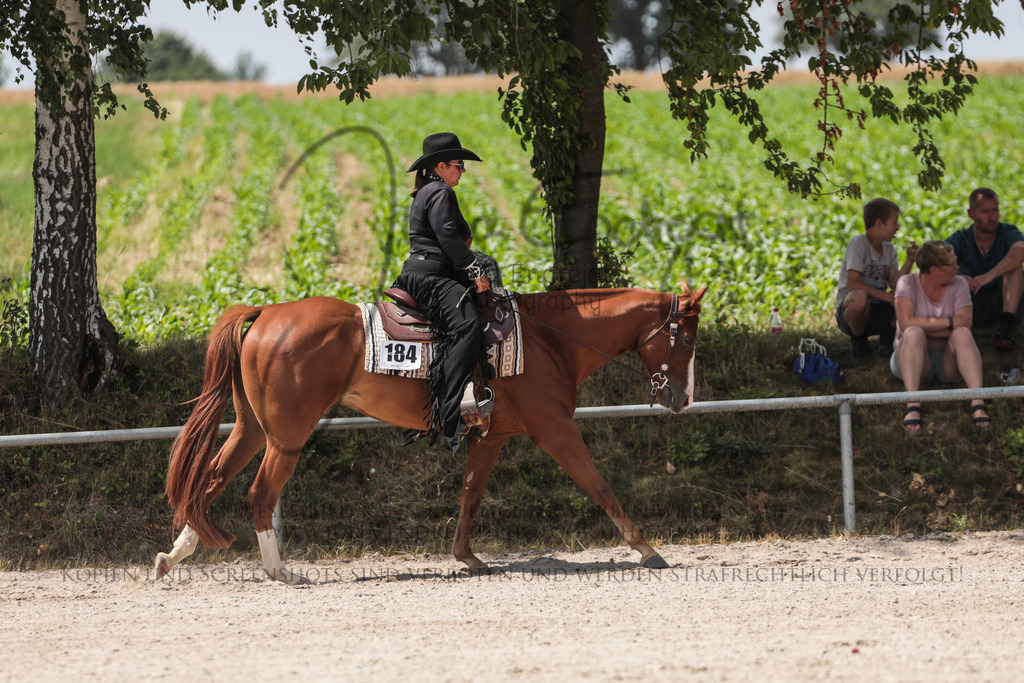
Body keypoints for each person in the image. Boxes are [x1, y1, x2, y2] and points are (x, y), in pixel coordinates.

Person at [392, 132, 491, 452]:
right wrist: (474, 271)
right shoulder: (440, 192)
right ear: (441, 165)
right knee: (467, 326)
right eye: (459, 165)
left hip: (430, 271)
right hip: (432, 275)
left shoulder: (427, 190)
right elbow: (448, 238)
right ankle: (450, 414)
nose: (463, 171)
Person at [891, 240, 989, 432]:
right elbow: (905, 324)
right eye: (951, 264)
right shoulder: (907, 283)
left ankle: (978, 404)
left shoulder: (959, 283)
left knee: (961, 334)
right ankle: (912, 405)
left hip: (948, 360)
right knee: (913, 334)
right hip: (911, 356)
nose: (957, 267)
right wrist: (950, 322)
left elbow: (966, 323)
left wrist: (923, 323)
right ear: (934, 269)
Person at [835, 198, 917, 359]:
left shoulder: (889, 248)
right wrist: (887, 296)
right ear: (879, 223)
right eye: (894, 223)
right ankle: (858, 340)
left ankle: (888, 340)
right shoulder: (858, 244)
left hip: (878, 309)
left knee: (906, 293)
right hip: (852, 313)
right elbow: (852, 284)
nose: (898, 227)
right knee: (859, 297)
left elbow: (895, 282)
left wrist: (909, 261)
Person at [945, 187, 1024, 350]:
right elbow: (936, 257)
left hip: (1004, 303)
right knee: (948, 272)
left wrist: (990, 275)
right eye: (985, 211)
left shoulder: (1008, 232)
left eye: (995, 210)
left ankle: (1006, 329)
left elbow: (1020, 251)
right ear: (971, 214)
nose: (992, 217)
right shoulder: (961, 238)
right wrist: (959, 276)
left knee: (1014, 267)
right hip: (972, 304)